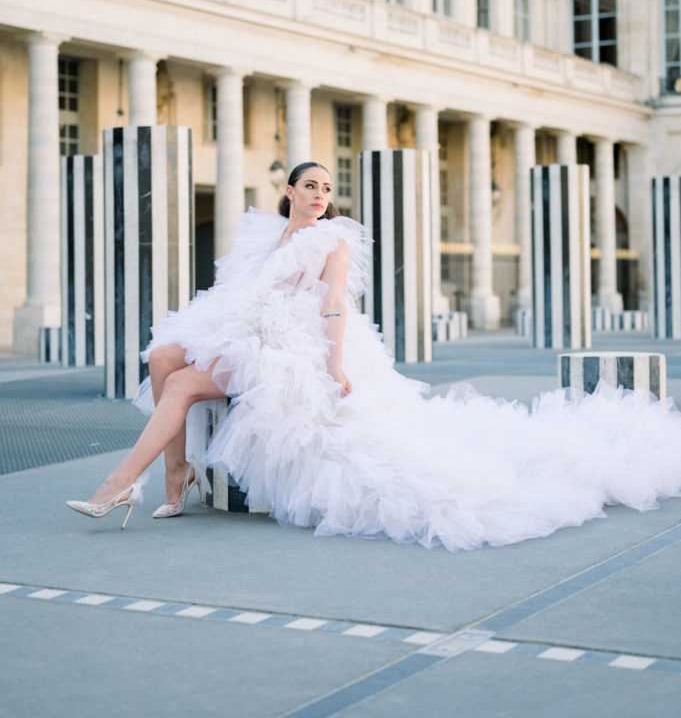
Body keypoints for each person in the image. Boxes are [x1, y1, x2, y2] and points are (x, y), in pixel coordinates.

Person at [68, 162, 681, 551]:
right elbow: (240, 290)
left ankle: (121, 484)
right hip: (244, 326)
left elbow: (333, 302)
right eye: (310, 186)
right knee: (162, 356)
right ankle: (178, 472)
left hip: (291, 342)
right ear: (289, 191)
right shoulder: (265, 233)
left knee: (180, 386)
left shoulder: (332, 238)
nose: (320, 195)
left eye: (327, 189)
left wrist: (333, 366)